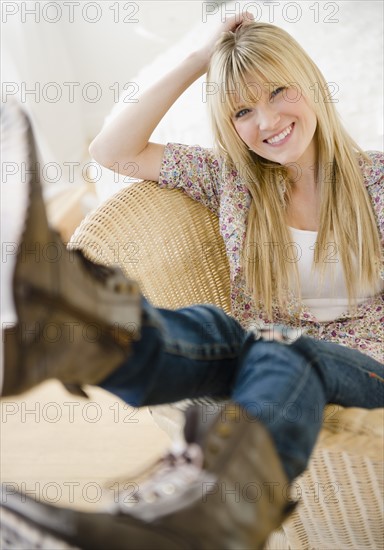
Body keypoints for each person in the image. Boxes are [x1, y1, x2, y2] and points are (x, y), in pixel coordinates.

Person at [1, 14, 383, 550]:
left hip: (368, 370)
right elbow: (113, 151)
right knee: (219, 327)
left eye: (278, 91)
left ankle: (216, 512)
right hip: (261, 350)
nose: (267, 119)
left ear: (312, 82)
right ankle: (69, 330)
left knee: (289, 346)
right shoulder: (231, 178)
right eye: (243, 110)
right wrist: (199, 57)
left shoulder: (376, 183)